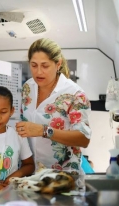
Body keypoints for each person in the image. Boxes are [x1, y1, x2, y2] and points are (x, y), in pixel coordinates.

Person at [16, 38, 91, 176]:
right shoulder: (27, 87)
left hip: (63, 176)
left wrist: (43, 130)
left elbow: (84, 138)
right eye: (34, 65)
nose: (38, 72)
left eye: (45, 66)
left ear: (58, 64)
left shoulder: (74, 94)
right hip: (32, 175)